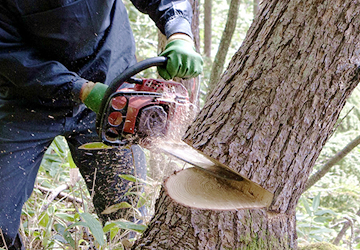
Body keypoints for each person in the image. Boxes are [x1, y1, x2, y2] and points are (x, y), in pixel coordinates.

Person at [0, 0, 203, 249]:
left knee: (127, 216)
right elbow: (7, 52)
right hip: (27, 96)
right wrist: (81, 89)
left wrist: (179, 31)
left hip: (112, 87)